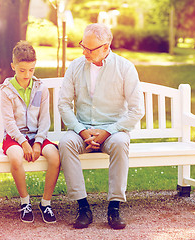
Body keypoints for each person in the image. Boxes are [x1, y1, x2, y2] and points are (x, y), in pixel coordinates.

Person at [58, 23, 145, 230]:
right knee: (65, 143)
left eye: (90, 49)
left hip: (113, 129)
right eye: (83, 46)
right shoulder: (75, 66)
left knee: (120, 143)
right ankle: (82, 207)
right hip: (82, 129)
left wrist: (108, 131)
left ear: (106, 47)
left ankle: (114, 207)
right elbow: (63, 104)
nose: (84, 52)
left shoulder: (125, 68)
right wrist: (81, 130)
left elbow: (136, 110)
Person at [0, 41, 60, 223]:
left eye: (31, 70)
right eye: (22, 70)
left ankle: (46, 203)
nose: (27, 75)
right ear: (13, 67)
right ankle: (25, 202)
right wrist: (24, 143)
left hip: (37, 136)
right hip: (14, 138)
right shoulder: (6, 90)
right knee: (16, 158)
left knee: (55, 157)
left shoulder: (41, 88)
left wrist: (38, 142)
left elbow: (44, 119)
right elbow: (9, 122)